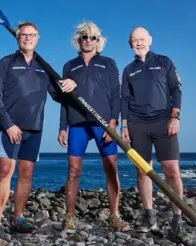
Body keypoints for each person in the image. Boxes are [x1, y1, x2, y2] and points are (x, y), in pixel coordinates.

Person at [0, 21, 77, 238]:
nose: (27, 38)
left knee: (26, 175)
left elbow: (59, 96)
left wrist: (71, 85)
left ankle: (18, 218)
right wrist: (8, 124)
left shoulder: (44, 67)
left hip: (35, 128)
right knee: (6, 171)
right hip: (11, 128)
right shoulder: (6, 63)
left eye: (31, 35)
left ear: (37, 38)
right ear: (17, 38)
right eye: (23, 35)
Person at [57, 21, 130, 233]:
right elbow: (65, 99)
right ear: (78, 41)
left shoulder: (109, 63)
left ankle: (114, 215)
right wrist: (63, 126)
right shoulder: (70, 66)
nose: (88, 41)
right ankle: (69, 217)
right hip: (77, 123)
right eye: (84, 37)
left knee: (111, 168)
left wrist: (113, 123)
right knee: (73, 172)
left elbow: (116, 95)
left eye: (93, 37)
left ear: (99, 41)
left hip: (103, 124)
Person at [120, 27, 186, 237]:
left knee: (172, 171)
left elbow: (176, 88)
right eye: (134, 40)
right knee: (142, 170)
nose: (138, 43)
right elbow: (124, 99)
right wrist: (124, 125)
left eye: (142, 39)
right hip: (137, 124)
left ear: (150, 40)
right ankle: (149, 217)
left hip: (163, 122)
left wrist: (175, 117)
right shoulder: (128, 70)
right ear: (130, 44)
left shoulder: (164, 61)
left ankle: (178, 219)